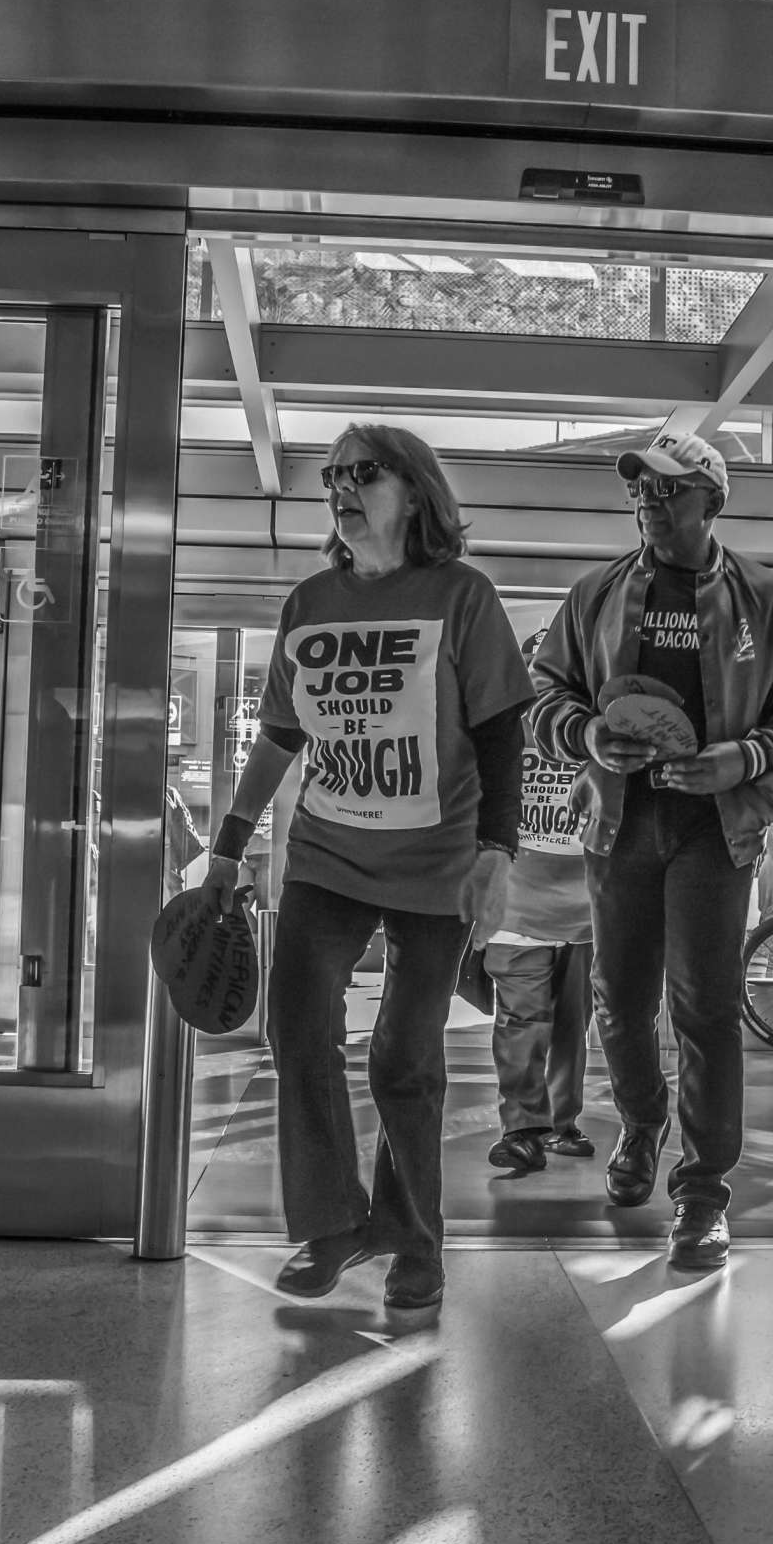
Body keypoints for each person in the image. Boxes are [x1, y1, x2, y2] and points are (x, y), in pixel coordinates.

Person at [198, 424, 531, 1311]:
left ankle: (412, 1237)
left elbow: (503, 732)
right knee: (300, 1033)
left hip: (439, 864)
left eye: (365, 474)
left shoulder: (461, 596)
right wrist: (228, 844)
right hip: (326, 855)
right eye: (333, 477)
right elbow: (279, 735)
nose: (343, 489)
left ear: (414, 492)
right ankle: (332, 1224)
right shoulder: (308, 603)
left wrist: (497, 855)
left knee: (405, 1059)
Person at [528, 429, 773, 1272]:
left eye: (667, 490)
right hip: (620, 824)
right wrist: (586, 732)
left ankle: (703, 1194)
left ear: (712, 500)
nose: (648, 502)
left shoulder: (767, 599)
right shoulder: (594, 594)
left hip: (716, 829)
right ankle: (640, 1121)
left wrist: (744, 759)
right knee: (619, 1003)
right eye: (641, 490)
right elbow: (543, 693)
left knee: (704, 1008)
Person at [480, 650, 596, 1174]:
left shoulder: (591, 730)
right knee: (521, 1023)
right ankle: (524, 1129)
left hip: (588, 910)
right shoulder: (500, 730)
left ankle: (560, 1125)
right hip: (515, 906)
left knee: (573, 1025)